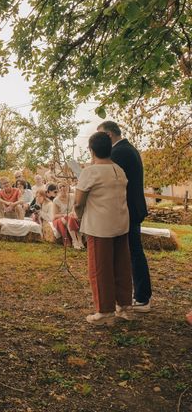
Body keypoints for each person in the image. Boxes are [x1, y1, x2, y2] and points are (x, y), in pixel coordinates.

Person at [74, 131, 132, 325]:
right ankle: (123, 307)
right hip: (121, 224)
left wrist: (79, 216)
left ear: (91, 151)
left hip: (100, 226)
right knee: (121, 265)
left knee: (100, 268)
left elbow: (78, 202)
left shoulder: (90, 172)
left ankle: (104, 311)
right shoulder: (119, 169)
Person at [98, 120, 152, 312]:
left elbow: (107, 177)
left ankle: (142, 297)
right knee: (133, 251)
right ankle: (138, 295)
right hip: (133, 207)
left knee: (133, 252)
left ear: (109, 136)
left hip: (128, 208)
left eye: (101, 136)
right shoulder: (129, 149)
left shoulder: (119, 152)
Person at [52, 182, 83, 249]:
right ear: (58, 189)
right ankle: (75, 241)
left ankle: (79, 241)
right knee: (69, 218)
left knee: (72, 219)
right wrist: (66, 214)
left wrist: (73, 212)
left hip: (72, 216)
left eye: (64, 186)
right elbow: (55, 215)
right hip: (60, 218)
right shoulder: (56, 200)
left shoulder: (73, 196)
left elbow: (76, 207)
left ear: (68, 187)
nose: (62, 188)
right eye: (60, 187)